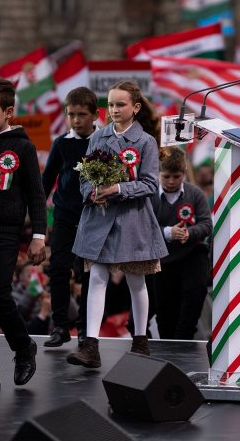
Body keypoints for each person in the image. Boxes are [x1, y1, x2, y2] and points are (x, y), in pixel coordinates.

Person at [66, 80, 167, 368]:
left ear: (135, 108)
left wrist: (118, 190)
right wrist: (92, 192)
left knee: (137, 281)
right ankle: (90, 346)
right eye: (110, 104)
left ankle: (140, 340)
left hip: (132, 220)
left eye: (120, 104)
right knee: (97, 278)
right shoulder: (98, 138)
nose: (114, 110)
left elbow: (149, 184)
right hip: (99, 220)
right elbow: (84, 176)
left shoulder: (146, 142)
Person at [0, 76, 46, 393]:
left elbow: (36, 195)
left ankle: (23, 347)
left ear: (8, 113)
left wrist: (39, 236)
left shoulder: (23, 147)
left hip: (4, 234)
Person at [41, 87, 98, 347]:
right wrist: (34, 211)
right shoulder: (62, 143)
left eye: (81, 114)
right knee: (58, 268)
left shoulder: (104, 141)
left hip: (94, 216)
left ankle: (86, 329)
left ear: (95, 115)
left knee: (90, 273)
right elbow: (47, 179)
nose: (76, 120)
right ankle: (61, 325)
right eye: (71, 114)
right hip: (64, 214)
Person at [152, 147, 212, 340]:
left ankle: (185, 339)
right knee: (165, 310)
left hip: (191, 254)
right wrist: (169, 233)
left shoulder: (195, 194)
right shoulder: (150, 195)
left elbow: (206, 224)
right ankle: (168, 347)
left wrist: (189, 233)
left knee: (194, 294)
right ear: (158, 173)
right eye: (166, 176)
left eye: (176, 177)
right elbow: (141, 227)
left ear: (184, 173)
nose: (171, 182)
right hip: (162, 259)